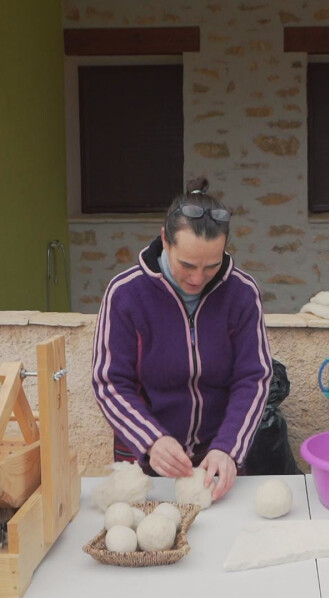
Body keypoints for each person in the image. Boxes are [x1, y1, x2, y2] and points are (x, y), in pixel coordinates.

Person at [92, 178, 273, 501]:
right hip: (144, 456)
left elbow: (254, 378)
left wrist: (228, 448)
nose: (197, 278)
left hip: (216, 456)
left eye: (212, 266)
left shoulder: (242, 293)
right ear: (165, 240)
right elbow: (110, 382)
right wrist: (151, 440)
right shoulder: (126, 294)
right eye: (187, 265)